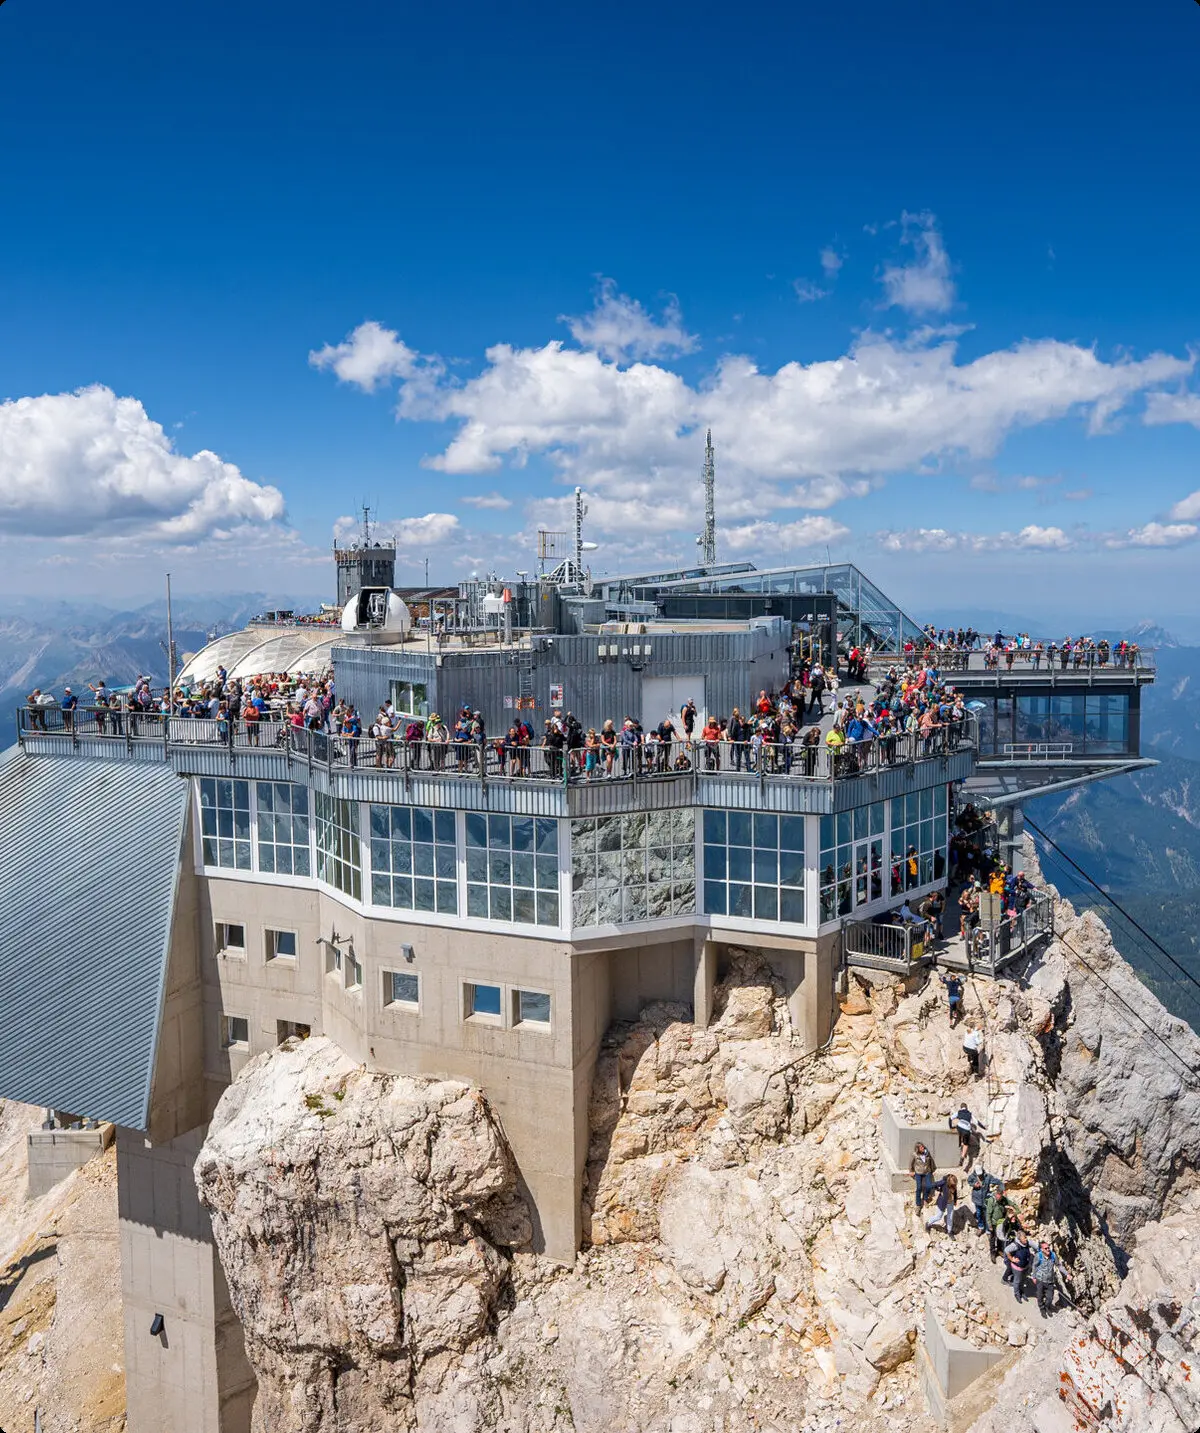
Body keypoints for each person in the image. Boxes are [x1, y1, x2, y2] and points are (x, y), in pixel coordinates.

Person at [986, 1182, 1020, 1263]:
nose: (998, 1196)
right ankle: (993, 1253)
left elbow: (1012, 1203)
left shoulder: (1004, 1199)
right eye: (997, 1194)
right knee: (993, 1238)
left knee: (1000, 1237)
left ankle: (999, 1250)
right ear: (996, 1193)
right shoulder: (991, 1201)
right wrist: (989, 1225)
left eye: (1000, 1195)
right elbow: (988, 1214)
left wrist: (1018, 1211)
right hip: (994, 1223)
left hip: (1001, 1222)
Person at [1031, 1238, 1061, 1317]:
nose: (1048, 1249)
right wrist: (1034, 1277)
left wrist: (1066, 1274)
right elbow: (1034, 1265)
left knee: (1050, 1297)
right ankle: (1042, 1309)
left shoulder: (1053, 1255)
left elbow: (1059, 1265)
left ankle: (1047, 1307)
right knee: (1040, 1295)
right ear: (1042, 1249)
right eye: (1046, 1248)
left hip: (1050, 1281)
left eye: (1048, 1247)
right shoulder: (1038, 1256)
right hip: (1040, 1280)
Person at [949, 1103, 984, 1168]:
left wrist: (951, 1127)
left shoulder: (958, 1112)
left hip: (959, 1128)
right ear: (966, 1107)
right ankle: (962, 1157)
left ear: (961, 1107)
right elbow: (977, 1122)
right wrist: (984, 1127)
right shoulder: (970, 1114)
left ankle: (960, 1143)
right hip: (966, 1130)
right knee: (966, 1144)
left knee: (961, 1135)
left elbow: (950, 1118)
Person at [1003, 1229, 1033, 1303]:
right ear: (1019, 1239)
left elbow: (1035, 1245)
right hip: (1017, 1268)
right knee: (1017, 1281)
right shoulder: (1015, 1245)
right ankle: (1017, 1294)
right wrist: (1012, 1259)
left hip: (1025, 1266)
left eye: (1026, 1237)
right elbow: (1006, 1250)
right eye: (1024, 1238)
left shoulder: (1026, 1243)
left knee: (1023, 1280)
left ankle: (1022, 1292)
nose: (1026, 1239)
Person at [966, 1165, 994, 1234]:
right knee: (978, 1214)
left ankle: (988, 1231)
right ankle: (981, 1227)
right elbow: (969, 1181)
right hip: (977, 1199)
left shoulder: (987, 1176)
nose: (980, 1175)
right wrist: (974, 1184)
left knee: (987, 1215)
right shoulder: (972, 1176)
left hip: (985, 1200)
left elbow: (994, 1181)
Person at [909, 1141, 935, 1213]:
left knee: (929, 1186)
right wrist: (911, 1171)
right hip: (918, 1173)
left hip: (927, 1172)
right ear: (918, 1149)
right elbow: (911, 1163)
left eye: (923, 1146)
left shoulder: (927, 1153)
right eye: (921, 1147)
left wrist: (932, 1170)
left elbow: (931, 1161)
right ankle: (918, 1205)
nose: (923, 1148)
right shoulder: (914, 1154)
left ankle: (925, 1199)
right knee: (919, 1188)